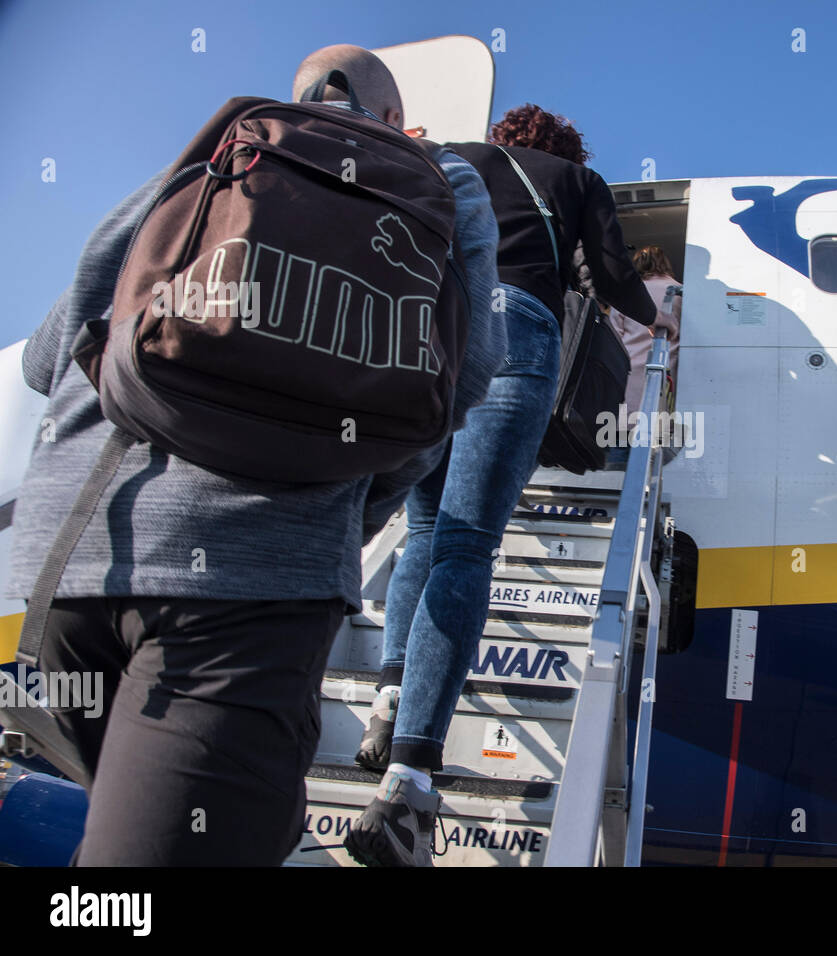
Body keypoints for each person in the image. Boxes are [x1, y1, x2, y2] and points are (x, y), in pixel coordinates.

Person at [4, 44, 503, 865]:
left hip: (71, 569)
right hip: (247, 585)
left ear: (299, 97)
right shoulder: (440, 175)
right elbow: (465, 375)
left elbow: (48, 351)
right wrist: (355, 507)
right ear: (391, 120)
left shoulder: (229, 145)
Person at [344, 104, 657, 867]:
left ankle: (389, 696)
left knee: (423, 532)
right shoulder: (578, 180)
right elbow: (611, 273)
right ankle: (409, 783)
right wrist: (660, 320)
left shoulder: (452, 160)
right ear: (563, 148)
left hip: (437, 333)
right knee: (467, 545)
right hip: (519, 331)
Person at [606, 245, 682, 464]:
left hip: (625, 386)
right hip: (661, 386)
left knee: (617, 459)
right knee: (653, 464)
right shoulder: (679, 292)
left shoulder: (626, 296)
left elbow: (613, 339)